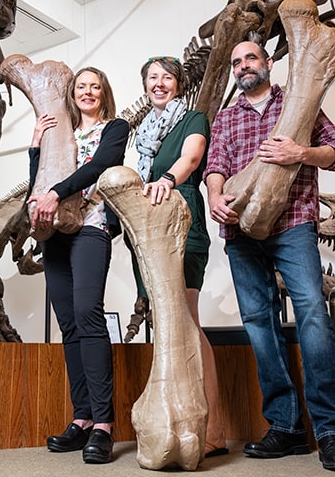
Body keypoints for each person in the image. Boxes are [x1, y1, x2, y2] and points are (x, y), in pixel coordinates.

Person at [204, 37, 335, 472]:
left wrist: (301, 152)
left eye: (250, 57)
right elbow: (215, 166)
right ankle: (286, 427)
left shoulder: (299, 103)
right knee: (259, 324)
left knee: (312, 313)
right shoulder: (226, 117)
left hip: (293, 224)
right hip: (240, 233)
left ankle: (332, 432)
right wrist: (215, 197)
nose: (243, 66)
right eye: (236, 62)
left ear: (267, 62)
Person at [27, 67, 129, 464]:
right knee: (68, 323)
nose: (88, 92)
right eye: (82, 86)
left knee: (89, 316)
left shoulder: (114, 129)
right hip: (55, 232)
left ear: (104, 93)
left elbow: (98, 167)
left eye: (95, 86)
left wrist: (55, 191)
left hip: (91, 225)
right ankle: (82, 417)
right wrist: (36, 149)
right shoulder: (59, 133)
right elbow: (38, 181)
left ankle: (104, 424)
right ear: (73, 93)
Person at [129, 56, 227, 457]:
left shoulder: (193, 118)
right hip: (149, 228)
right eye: (152, 77)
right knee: (167, 325)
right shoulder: (143, 133)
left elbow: (192, 157)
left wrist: (167, 179)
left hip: (181, 221)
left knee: (187, 321)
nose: (159, 83)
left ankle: (214, 430)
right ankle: (176, 423)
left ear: (178, 84)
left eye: (166, 77)